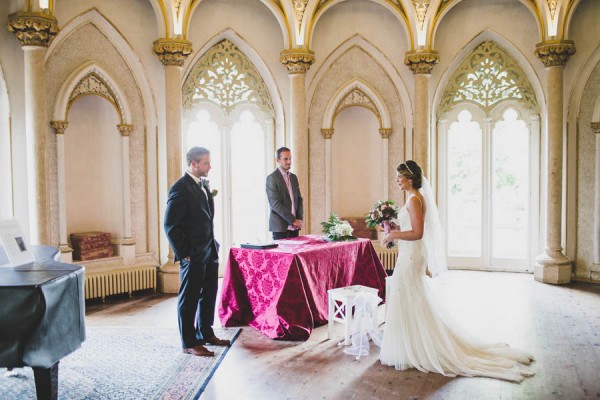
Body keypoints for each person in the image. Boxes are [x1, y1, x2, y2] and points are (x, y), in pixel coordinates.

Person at [379, 160, 534, 382]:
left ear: (409, 178)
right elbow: (410, 229)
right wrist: (395, 228)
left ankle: (422, 347)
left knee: (409, 295)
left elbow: (418, 233)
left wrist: (394, 235)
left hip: (412, 255)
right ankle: (411, 344)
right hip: (409, 253)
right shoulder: (413, 199)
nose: (397, 180)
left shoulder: (414, 200)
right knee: (410, 297)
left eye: (399, 177)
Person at [164, 146, 230, 357]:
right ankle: (189, 342)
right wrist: (183, 253)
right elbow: (170, 225)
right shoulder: (180, 188)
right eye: (206, 163)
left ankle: (205, 333)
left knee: (209, 294)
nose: (210, 166)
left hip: (209, 249)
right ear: (193, 164)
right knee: (190, 297)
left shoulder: (203, 185)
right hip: (191, 253)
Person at [266, 147, 304, 240]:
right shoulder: (272, 178)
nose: (289, 162)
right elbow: (275, 204)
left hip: (295, 228)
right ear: (278, 160)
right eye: (285, 159)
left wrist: (299, 219)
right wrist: (292, 220)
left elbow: (299, 199)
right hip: (280, 228)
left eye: (290, 158)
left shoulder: (294, 177)